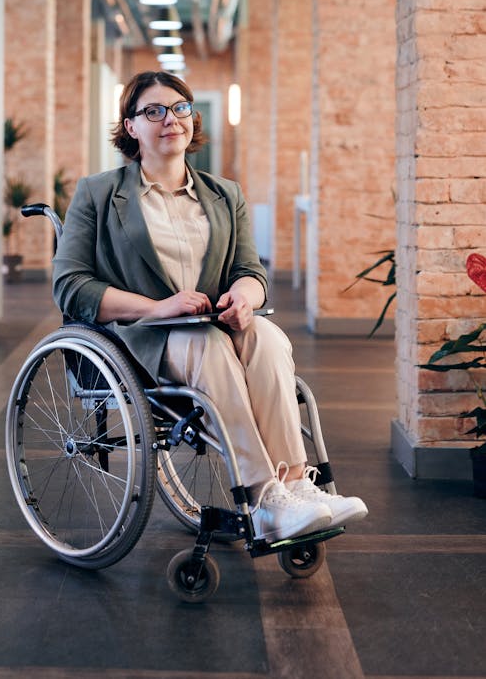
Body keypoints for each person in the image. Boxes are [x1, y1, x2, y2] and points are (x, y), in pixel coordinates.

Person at [53, 70, 367, 542]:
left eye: (180, 108)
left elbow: (251, 271)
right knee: (210, 347)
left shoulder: (225, 195)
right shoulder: (98, 194)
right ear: (131, 126)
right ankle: (263, 498)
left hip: (216, 328)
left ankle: (297, 486)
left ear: (192, 119)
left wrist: (245, 296)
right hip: (144, 339)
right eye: (153, 111)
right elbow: (71, 285)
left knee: (266, 337)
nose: (170, 119)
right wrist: (156, 308)